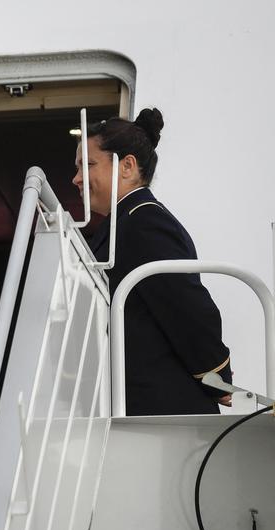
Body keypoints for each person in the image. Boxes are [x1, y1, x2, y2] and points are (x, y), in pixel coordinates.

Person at [75, 107, 232, 415]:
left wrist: (216, 376)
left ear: (127, 166)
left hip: (160, 409)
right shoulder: (124, 223)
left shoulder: (145, 222)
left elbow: (186, 306)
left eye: (88, 165)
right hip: (136, 405)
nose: (76, 178)